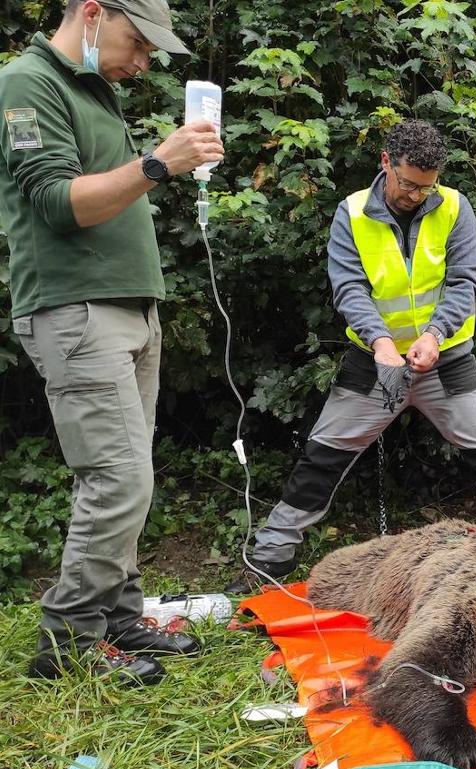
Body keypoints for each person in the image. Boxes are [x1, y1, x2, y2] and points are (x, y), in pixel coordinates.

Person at [225, 119, 476, 592]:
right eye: (408, 184)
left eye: (427, 187)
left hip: (448, 361)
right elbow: (349, 288)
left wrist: (435, 335)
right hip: (373, 364)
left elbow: (465, 282)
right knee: (322, 457)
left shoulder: (456, 207)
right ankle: (267, 561)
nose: (416, 195)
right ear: (386, 163)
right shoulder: (351, 212)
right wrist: (381, 344)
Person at [1, 0, 223, 684]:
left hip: (127, 309)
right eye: (139, 42)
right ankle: (66, 642)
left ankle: (120, 615)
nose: (145, 61)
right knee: (118, 479)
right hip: (76, 308)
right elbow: (56, 203)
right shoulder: (27, 81)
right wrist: (157, 163)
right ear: (93, 14)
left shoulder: (93, 88)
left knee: (132, 475)